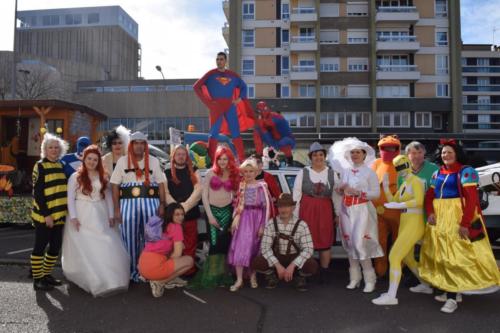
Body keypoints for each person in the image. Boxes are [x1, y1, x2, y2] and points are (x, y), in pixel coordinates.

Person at [419, 139, 500, 313]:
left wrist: (464, 223)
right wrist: (430, 212)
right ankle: (451, 290)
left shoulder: (466, 172)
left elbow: (471, 200)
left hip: (457, 216)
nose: (446, 155)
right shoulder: (437, 173)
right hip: (440, 218)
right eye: (443, 153)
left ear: (456, 153)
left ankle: (452, 298)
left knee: (455, 257)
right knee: (441, 254)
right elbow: (429, 196)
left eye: (449, 152)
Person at [62, 145, 130, 297]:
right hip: (82, 212)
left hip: (100, 212)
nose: (92, 162)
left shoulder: (102, 176)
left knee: (105, 241)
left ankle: (110, 278)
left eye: (95, 159)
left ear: (98, 161)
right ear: (84, 159)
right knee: (86, 245)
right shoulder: (75, 177)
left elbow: (108, 198)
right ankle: (93, 278)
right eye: (89, 159)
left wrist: (111, 215)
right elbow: (70, 199)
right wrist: (73, 217)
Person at [110, 131, 167, 282]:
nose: (139, 146)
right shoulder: (123, 161)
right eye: (136, 143)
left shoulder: (154, 161)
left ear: (145, 145)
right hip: (128, 204)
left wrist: (162, 204)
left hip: (151, 203)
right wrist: (116, 209)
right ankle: (131, 272)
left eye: (142, 143)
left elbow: (161, 183)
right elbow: (115, 185)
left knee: (152, 238)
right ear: (131, 145)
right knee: (129, 238)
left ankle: (149, 270)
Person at [329, 137, 382, 293]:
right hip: (347, 210)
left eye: (358, 152)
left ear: (364, 154)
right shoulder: (344, 172)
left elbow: (376, 194)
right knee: (349, 244)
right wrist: (340, 189)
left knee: (361, 244)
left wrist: (359, 192)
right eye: (352, 152)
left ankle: (369, 279)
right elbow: (339, 192)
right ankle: (354, 277)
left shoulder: (369, 172)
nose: (355, 155)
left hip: (362, 211)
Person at [372, 155, 426, 305]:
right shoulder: (404, 184)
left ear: (408, 164)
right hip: (405, 221)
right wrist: (386, 186)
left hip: (414, 221)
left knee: (394, 256)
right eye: (397, 167)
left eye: (402, 166)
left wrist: (398, 206)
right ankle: (426, 284)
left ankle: (391, 296)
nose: (400, 170)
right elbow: (393, 201)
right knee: (407, 258)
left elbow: (419, 201)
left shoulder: (416, 181)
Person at [188, 145, 239, 289]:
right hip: (213, 213)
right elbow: (204, 196)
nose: (223, 161)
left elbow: (236, 194)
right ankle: (211, 276)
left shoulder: (232, 173)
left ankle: (222, 275)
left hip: (228, 212)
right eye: (220, 159)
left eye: (225, 159)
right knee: (214, 245)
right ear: (216, 159)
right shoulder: (211, 173)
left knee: (224, 245)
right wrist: (210, 216)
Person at [193, 51, 255, 162]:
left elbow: (244, 86)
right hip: (216, 107)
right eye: (217, 59)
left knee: (235, 132)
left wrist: (239, 98)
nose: (219, 61)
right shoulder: (211, 74)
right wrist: (209, 103)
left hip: (230, 106)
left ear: (226, 61)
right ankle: (212, 160)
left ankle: (241, 159)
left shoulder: (233, 76)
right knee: (214, 132)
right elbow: (196, 87)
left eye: (221, 59)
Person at [252, 193, 318, 291]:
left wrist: (293, 265)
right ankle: (271, 275)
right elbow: (265, 248)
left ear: (293, 207)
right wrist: (277, 265)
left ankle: (300, 277)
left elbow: (308, 249)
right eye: (281, 206)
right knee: (257, 262)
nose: (283, 209)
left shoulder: (302, 225)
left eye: (287, 206)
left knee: (311, 265)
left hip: (294, 258)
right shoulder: (271, 223)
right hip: (277, 257)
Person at [293, 142, 337, 283]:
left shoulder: (332, 173)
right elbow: (296, 195)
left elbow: (337, 197)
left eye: (320, 154)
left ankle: (324, 273)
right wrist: (295, 216)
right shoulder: (303, 172)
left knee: (325, 242)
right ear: (310, 157)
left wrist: (338, 215)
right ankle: (307, 271)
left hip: (325, 211)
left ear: (324, 156)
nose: (318, 157)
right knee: (307, 241)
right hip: (307, 210)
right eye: (315, 155)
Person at [30, 132, 69, 291]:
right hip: (44, 217)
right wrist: (46, 215)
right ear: (45, 150)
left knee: (54, 248)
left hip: (59, 216)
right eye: (50, 147)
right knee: (40, 247)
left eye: (56, 147)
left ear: (60, 150)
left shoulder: (61, 165)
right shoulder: (39, 166)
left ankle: (46, 275)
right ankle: (37, 279)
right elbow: (38, 194)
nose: (53, 150)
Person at [228, 158, 271, 291]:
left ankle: (253, 275)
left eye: (251, 171)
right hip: (243, 220)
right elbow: (236, 204)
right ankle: (239, 279)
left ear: (256, 172)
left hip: (256, 219)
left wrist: (263, 225)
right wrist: (235, 219)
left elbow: (266, 208)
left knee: (254, 248)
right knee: (240, 248)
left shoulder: (261, 187)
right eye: (245, 171)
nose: (248, 174)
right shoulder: (242, 186)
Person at [138, 203, 194, 297]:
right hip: (154, 268)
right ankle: (161, 282)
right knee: (189, 261)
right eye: (177, 214)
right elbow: (177, 254)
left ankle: (167, 277)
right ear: (170, 214)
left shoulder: (160, 223)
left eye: (182, 214)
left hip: (142, 266)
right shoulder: (176, 227)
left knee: (172, 257)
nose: (181, 217)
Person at [165, 145, 202, 276]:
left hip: (190, 213)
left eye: (183, 154)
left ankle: (188, 271)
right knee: (174, 245)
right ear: (173, 156)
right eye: (178, 154)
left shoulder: (194, 171)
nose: (181, 156)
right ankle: (174, 271)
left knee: (190, 243)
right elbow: (165, 192)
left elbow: (198, 190)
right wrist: (176, 208)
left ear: (186, 156)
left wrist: (184, 207)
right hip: (173, 216)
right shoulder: (167, 172)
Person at [371, 134, 402, 277]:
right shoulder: (376, 163)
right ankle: (380, 268)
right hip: (379, 211)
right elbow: (369, 181)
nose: (389, 150)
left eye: (392, 147)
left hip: (398, 211)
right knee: (380, 240)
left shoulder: (402, 162)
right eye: (386, 148)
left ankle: (397, 269)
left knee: (399, 240)